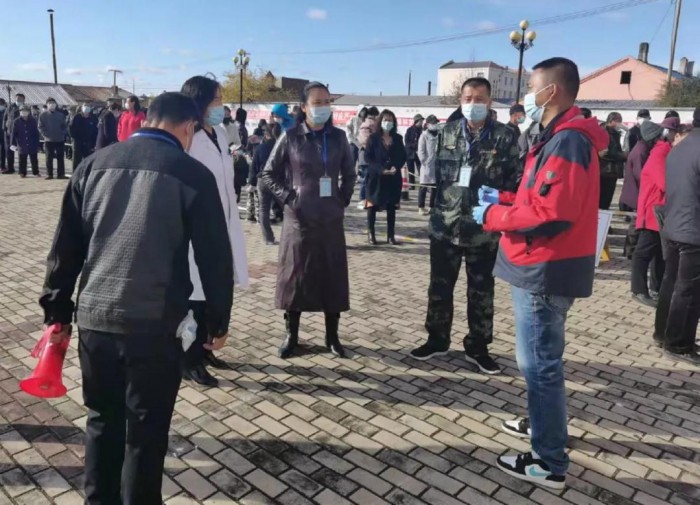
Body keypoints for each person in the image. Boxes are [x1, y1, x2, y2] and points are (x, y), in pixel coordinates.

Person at [38, 92, 234, 504]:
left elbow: (65, 247)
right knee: (146, 433)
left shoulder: (93, 165)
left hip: (96, 319)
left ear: (147, 119)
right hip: (155, 327)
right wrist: (217, 321)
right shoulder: (192, 174)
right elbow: (215, 256)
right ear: (188, 127)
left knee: (101, 421)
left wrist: (57, 310)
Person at [472, 57, 608, 489]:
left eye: (532, 88)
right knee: (540, 358)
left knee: (539, 364)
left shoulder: (567, 141)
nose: (526, 96)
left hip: (545, 265)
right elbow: (540, 196)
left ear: (551, 91)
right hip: (541, 261)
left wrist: (494, 215)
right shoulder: (556, 137)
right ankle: (539, 423)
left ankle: (549, 461)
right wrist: (505, 198)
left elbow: (552, 213)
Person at [409, 77, 519, 375]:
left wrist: (501, 212)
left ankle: (478, 347)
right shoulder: (445, 132)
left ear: (490, 101)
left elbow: (514, 181)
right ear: (460, 100)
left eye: (479, 99)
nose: (473, 104)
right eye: (468, 98)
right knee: (439, 288)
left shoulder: (504, 137)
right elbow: (437, 178)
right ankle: (436, 339)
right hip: (445, 226)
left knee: (481, 292)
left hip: (483, 230)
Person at [262, 81, 356, 359]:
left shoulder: (339, 137)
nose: (323, 107)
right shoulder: (291, 137)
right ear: (304, 107)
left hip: (330, 219)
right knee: (295, 276)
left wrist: (342, 199)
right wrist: (289, 198)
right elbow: (268, 173)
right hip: (298, 219)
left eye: (327, 102)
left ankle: (332, 336)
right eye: (317, 103)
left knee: (332, 275)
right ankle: (291, 335)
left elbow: (350, 174)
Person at [180, 76, 249, 387]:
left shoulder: (219, 134)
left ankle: (207, 349)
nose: (221, 105)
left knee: (215, 291)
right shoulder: (189, 137)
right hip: (198, 227)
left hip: (224, 222)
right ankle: (189, 359)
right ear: (200, 103)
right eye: (217, 100)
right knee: (195, 294)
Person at [654, 109, 700, 365]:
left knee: (670, 282)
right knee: (689, 290)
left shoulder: (680, 146)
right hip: (693, 229)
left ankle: (662, 334)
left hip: (673, 224)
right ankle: (678, 344)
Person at [632, 117, 681, 308]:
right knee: (643, 252)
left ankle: (657, 288)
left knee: (661, 253)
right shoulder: (660, 153)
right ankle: (638, 289)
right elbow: (665, 183)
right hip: (653, 211)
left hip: (660, 211)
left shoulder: (666, 151)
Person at [364, 109, 406, 245]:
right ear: (380, 121)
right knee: (372, 206)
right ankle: (371, 234)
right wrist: (381, 170)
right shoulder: (373, 138)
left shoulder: (398, 138)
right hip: (376, 178)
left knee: (391, 206)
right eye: (385, 120)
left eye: (390, 120)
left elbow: (402, 156)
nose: (388, 123)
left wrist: (395, 167)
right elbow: (368, 158)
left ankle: (390, 236)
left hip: (393, 178)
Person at [252, 122, 282, 244]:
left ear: (266, 134)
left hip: (262, 180)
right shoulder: (282, 146)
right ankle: (291, 235)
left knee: (263, 209)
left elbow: (254, 166)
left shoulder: (260, 148)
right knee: (288, 207)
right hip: (278, 180)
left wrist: (252, 181)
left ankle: (268, 238)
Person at [598, 112, 626, 210]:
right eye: (619, 121)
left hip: (612, 171)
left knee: (608, 199)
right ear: (612, 120)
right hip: (605, 170)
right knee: (603, 199)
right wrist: (622, 155)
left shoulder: (615, 133)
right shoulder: (604, 132)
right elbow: (604, 152)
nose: (620, 123)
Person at [38, 98, 68, 180]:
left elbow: (65, 126)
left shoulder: (61, 115)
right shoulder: (43, 115)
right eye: (50, 103)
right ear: (47, 105)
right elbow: (40, 127)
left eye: (53, 103)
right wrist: (45, 135)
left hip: (60, 139)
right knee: (49, 157)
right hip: (49, 140)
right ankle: (49, 174)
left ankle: (61, 174)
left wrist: (62, 133)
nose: (52, 104)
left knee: (60, 157)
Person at [417, 114, 439, 216]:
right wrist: (424, 161)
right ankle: (421, 207)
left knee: (434, 187)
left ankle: (431, 206)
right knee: (423, 187)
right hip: (426, 165)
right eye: (433, 123)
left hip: (436, 164)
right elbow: (421, 150)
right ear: (428, 124)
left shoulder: (439, 134)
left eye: (436, 123)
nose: (435, 124)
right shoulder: (424, 135)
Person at [11, 105, 41, 178]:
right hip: (21, 142)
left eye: (26, 111)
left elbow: (36, 133)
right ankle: (22, 172)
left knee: (34, 158)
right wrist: (13, 144)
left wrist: (37, 143)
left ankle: (35, 172)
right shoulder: (16, 121)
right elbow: (13, 133)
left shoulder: (33, 120)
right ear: (20, 112)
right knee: (22, 159)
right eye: (22, 111)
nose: (24, 112)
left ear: (28, 112)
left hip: (32, 142)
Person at [71, 104, 99, 170]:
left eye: (88, 106)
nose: (86, 108)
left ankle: (87, 173)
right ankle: (75, 173)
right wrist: (75, 138)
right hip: (78, 142)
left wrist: (94, 142)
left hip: (89, 142)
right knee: (77, 160)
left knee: (88, 160)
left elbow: (96, 131)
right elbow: (71, 128)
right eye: (85, 106)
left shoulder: (93, 118)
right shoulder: (77, 117)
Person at [2, 93, 25, 174]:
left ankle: (22, 170)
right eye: (17, 98)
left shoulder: (25, 108)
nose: (18, 100)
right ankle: (10, 168)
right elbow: (5, 118)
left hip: (20, 133)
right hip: (9, 132)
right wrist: (4, 129)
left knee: (21, 152)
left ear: (23, 100)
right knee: (9, 151)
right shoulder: (10, 107)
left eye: (20, 99)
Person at [405, 114, 424, 190]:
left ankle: (423, 185)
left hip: (419, 153)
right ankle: (412, 185)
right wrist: (414, 145)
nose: (422, 122)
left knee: (421, 170)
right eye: (420, 121)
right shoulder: (410, 130)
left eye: (422, 121)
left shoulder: (423, 130)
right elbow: (406, 141)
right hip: (410, 153)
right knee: (411, 170)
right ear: (416, 121)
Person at [0, 99, 5, 172]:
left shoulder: (6, 112)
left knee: (3, 151)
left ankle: (2, 166)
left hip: (3, 134)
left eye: (1, 104)